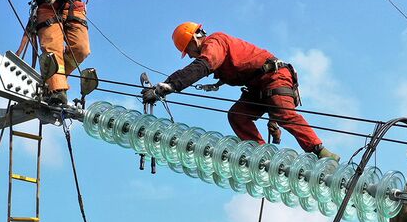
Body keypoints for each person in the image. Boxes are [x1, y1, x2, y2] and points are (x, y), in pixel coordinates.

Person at [143, 22, 341, 161]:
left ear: (194, 39)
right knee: (238, 116)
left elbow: (202, 66)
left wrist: (168, 86)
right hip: (257, 85)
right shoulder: (216, 47)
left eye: (190, 51)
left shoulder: (215, 43)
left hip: (273, 76)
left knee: (283, 114)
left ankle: (322, 152)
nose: (191, 56)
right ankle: (262, 154)